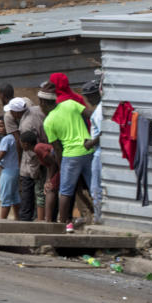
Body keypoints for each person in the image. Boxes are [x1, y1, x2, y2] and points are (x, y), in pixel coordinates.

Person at [39, 88, 95, 229]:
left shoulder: (49, 121)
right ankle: (100, 217)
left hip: (70, 156)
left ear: (43, 102)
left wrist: (61, 167)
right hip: (88, 150)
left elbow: (58, 149)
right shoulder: (70, 103)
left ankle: (64, 225)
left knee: (65, 192)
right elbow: (91, 115)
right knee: (94, 188)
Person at [4, 97, 47, 222]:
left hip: (35, 155)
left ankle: (28, 218)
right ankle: (38, 216)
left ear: (17, 113)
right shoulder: (36, 110)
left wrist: (33, 171)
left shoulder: (26, 125)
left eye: (12, 111)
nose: (10, 114)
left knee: (33, 187)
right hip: (46, 150)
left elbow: (27, 148)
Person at [20, 130, 59, 222]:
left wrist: (49, 180)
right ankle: (47, 218)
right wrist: (48, 180)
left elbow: (53, 163)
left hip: (60, 168)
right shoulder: (37, 149)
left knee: (49, 190)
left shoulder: (38, 148)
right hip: (56, 169)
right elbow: (49, 165)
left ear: (25, 144)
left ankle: (46, 219)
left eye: (21, 143)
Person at [82, 78, 103, 225]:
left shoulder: (100, 111)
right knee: (95, 187)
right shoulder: (99, 109)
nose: (87, 100)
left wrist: (89, 143)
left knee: (96, 188)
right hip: (98, 152)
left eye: (88, 96)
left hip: (99, 153)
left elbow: (103, 133)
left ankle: (99, 217)